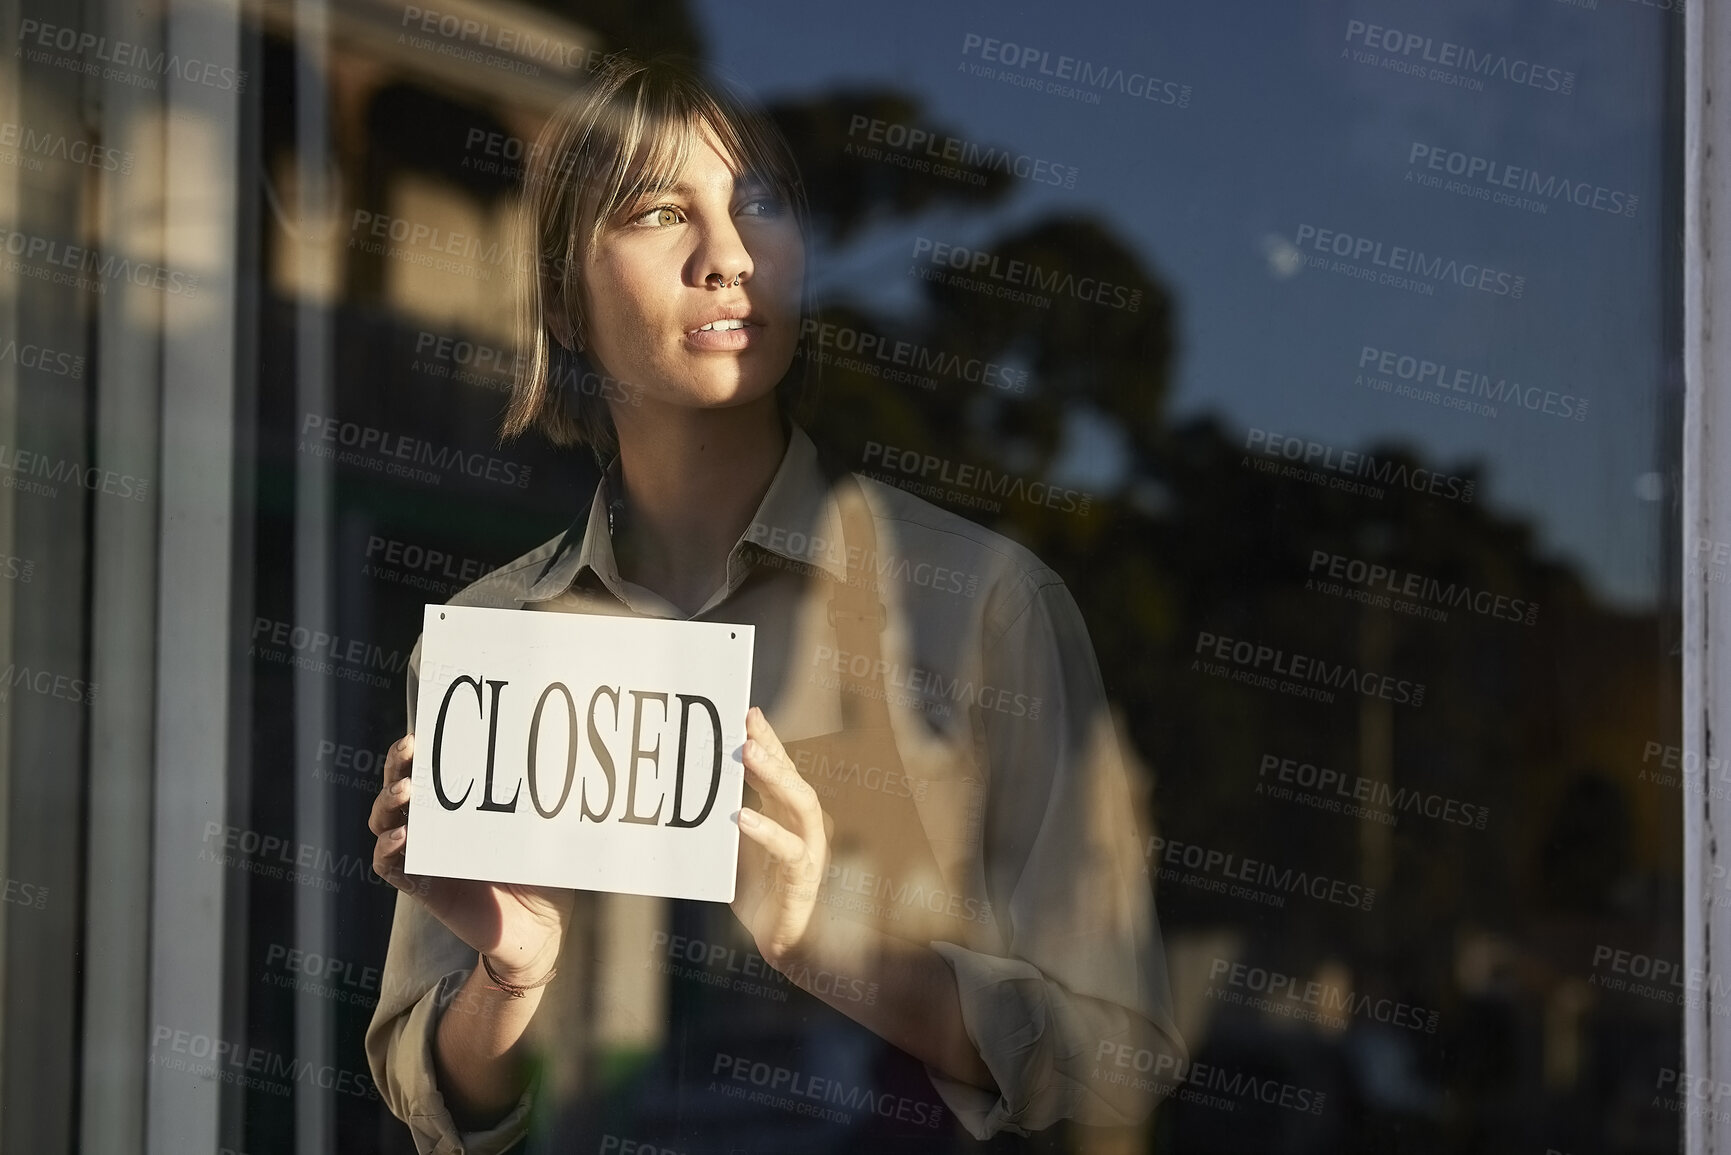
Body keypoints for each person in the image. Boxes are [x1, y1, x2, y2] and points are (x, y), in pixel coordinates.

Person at [366, 53, 1183, 1154]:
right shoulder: (497, 644)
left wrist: (820, 942)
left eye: (760, 206)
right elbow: (444, 1111)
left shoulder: (986, 608)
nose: (730, 257)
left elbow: (1115, 1063)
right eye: (659, 211)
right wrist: (509, 977)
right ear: (562, 294)